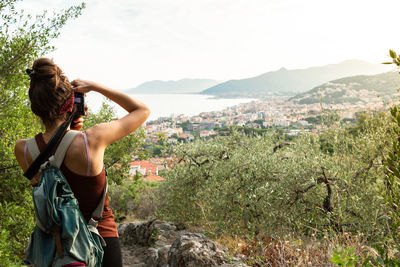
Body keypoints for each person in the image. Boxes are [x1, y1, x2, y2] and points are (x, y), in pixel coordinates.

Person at [14, 57, 150, 266]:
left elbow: (55, 187)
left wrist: (68, 131)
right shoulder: (91, 141)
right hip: (101, 241)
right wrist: (95, 87)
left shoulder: (22, 150)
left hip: (55, 250)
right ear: (71, 105)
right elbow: (142, 110)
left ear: (35, 109)